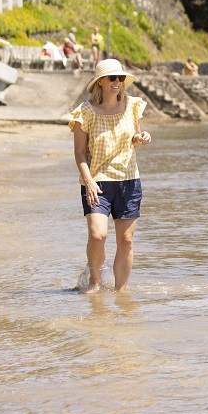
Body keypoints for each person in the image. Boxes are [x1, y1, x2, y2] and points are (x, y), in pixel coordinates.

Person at [68, 58, 151, 293]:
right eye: (112, 78)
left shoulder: (133, 105)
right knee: (98, 235)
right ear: (101, 82)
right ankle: (94, 283)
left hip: (128, 181)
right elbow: (79, 152)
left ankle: (120, 292)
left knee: (126, 241)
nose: (117, 82)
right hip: (97, 182)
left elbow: (134, 137)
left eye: (121, 78)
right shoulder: (85, 112)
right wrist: (88, 181)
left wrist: (141, 138)